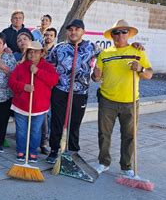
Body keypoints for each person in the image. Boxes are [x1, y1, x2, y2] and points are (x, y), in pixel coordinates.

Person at [92, 20, 153, 175]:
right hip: (107, 100)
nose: (120, 35)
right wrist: (96, 75)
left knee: (129, 136)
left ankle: (126, 167)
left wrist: (141, 68)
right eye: (116, 32)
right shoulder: (105, 54)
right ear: (111, 35)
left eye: (123, 31)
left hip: (130, 101)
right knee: (104, 134)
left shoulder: (137, 51)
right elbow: (96, 77)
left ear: (128, 34)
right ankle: (103, 162)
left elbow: (149, 74)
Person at [45, 19, 100, 164]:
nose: (73, 32)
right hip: (60, 90)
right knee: (57, 121)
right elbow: (49, 64)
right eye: (71, 29)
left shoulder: (92, 47)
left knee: (74, 123)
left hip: (80, 92)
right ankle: (54, 150)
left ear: (83, 31)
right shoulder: (59, 48)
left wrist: (135, 47)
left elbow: (108, 57)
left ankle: (73, 151)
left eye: (77, 29)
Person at [8, 41, 59, 162]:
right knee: (21, 131)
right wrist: (23, 87)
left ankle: (32, 151)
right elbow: (11, 82)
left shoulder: (47, 67)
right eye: (30, 52)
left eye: (36, 52)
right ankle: (21, 150)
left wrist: (37, 72)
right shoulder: (20, 67)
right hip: (20, 105)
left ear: (42, 53)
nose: (33, 54)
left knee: (36, 131)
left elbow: (54, 81)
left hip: (39, 107)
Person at [39, 26, 58, 154]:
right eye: (46, 35)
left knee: (50, 116)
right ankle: (40, 142)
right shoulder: (38, 49)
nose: (48, 37)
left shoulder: (58, 50)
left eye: (51, 35)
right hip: (39, 88)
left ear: (54, 37)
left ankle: (46, 142)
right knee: (42, 116)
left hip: (52, 88)